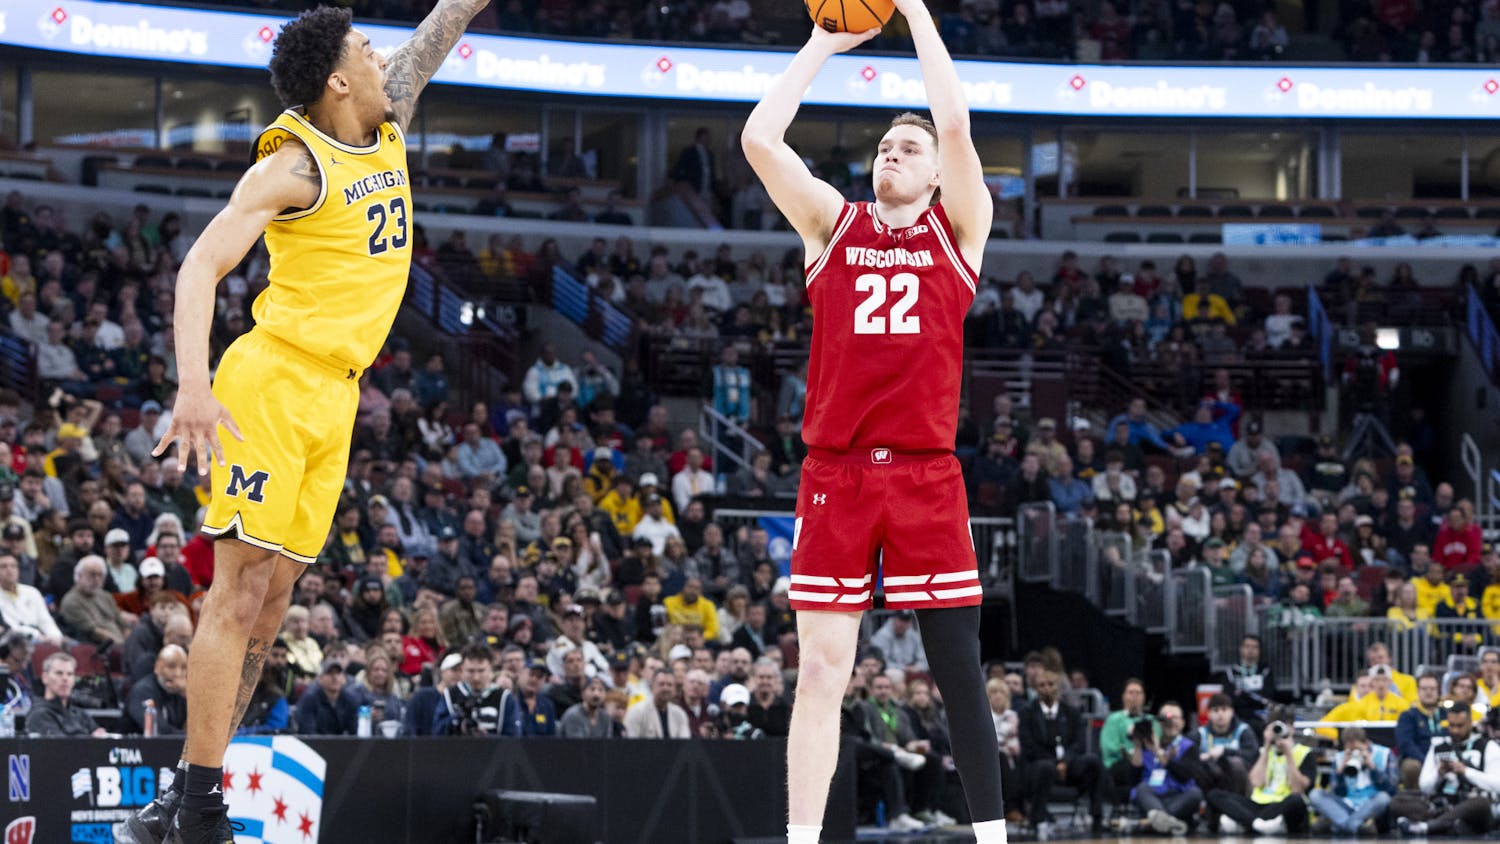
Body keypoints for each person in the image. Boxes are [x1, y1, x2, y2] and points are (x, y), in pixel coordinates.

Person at [128, 2, 493, 839]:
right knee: (239, 586)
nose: (382, 54)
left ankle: (185, 795)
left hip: (338, 394)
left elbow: (449, 15)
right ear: (337, 80)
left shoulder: (389, 109)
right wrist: (192, 384)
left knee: (275, 599)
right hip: (271, 383)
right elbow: (199, 266)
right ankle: (200, 808)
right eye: (366, 47)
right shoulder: (292, 167)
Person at [741, 7, 1004, 842]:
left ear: (935, 177)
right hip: (838, 473)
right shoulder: (831, 223)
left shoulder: (958, 231)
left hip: (927, 474)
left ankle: (994, 836)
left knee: (958, 670)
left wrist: (916, 7)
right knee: (820, 671)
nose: (893, 154)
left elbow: (956, 123)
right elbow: (759, 140)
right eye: (885, 146)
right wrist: (823, 42)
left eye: (909, 149)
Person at [1204, 708, 1315, 835]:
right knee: (1215, 794)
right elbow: (1256, 782)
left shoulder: (1304, 753)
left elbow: (1297, 789)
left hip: (1283, 805)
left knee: (1296, 800)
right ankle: (1258, 824)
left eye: (1284, 725)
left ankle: (1245, 821)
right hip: (1259, 805)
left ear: (1292, 728)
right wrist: (1267, 745)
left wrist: (1288, 754)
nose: (1278, 730)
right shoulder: (1263, 752)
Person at [1018, 670, 1103, 833]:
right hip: (1040, 766)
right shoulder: (1027, 713)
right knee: (1045, 768)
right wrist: (1056, 764)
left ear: (1058, 687)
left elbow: (1078, 744)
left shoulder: (1071, 712)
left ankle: (1097, 817)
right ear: (1036, 689)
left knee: (1093, 761)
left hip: (1068, 765)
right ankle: (1037, 820)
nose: (1047, 689)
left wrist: (1065, 762)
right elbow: (1029, 745)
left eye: (1051, 684)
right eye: (1042, 685)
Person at [1397, 705, 1500, 835]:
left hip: (1473, 804)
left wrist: (1466, 772)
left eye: (1460, 726)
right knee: (1397, 801)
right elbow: (1424, 787)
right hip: (1442, 804)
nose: (1455, 730)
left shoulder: (1488, 746)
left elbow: (1498, 785)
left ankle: (1428, 826)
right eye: (1451, 725)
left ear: (1469, 723)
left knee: (1481, 804)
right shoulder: (1438, 746)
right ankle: (1450, 824)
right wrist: (1438, 773)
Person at [1128, 702, 1202, 835]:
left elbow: (1186, 774)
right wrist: (1138, 745)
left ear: (1183, 723)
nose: (1171, 722)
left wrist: (1159, 752)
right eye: (1166, 718)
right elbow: (1133, 776)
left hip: (1176, 797)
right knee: (1142, 788)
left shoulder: (1189, 746)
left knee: (1195, 793)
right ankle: (1169, 823)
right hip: (1151, 799)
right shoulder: (1147, 745)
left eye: (1175, 718)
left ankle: (1157, 822)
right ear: (1159, 723)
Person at [1308, 726, 1395, 834]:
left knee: (1384, 797)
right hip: (1347, 804)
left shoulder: (1384, 754)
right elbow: (1337, 793)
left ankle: (1340, 825)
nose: (1355, 753)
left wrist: (1372, 767)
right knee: (1315, 794)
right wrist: (1341, 770)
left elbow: (1391, 789)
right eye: (1350, 750)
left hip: (1371, 803)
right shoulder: (1340, 757)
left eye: (1358, 749)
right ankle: (1355, 826)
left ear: (1366, 743)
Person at [27, 651, 107, 737]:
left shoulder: (81, 715)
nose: (65, 678)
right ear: (45, 677)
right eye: (59, 673)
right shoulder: (39, 715)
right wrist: (93, 739)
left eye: (70, 674)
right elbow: (60, 747)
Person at [126, 645, 190, 736]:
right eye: (171, 667)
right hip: (133, 747)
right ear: (157, 668)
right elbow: (158, 731)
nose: (178, 673)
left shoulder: (181, 692)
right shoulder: (143, 691)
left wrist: (188, 695)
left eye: (184, 668)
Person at [624, 670, 690, 738]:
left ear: (674, 689)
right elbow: (629, 744)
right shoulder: (636, 712)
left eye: (669, 685)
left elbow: (685, 745)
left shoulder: (680, 714)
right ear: (652, 686)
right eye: (661, 684)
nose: (666, 688)